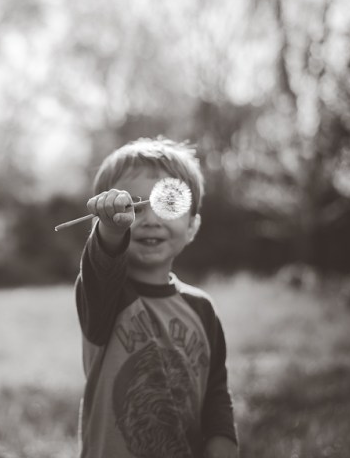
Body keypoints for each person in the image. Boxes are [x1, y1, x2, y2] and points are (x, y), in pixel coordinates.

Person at [74, 137, 238, 458]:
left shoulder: (202, 309)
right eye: (131, 203)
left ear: (192, 226)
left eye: (169, 203)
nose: (150, 217)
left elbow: (216, 393)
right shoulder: (104, 295)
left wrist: (223, 444)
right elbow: (101, 264)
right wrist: (111, 230)